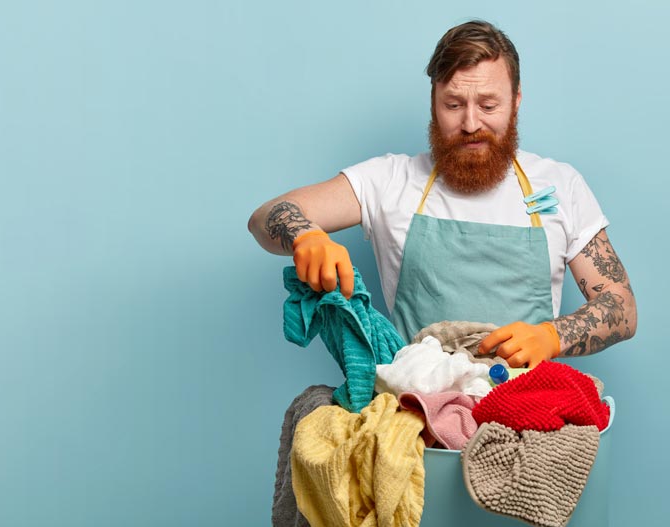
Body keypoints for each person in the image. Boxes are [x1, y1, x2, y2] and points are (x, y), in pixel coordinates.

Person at [248, 20, 636, 368]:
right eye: (453, 104)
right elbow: (266, 216)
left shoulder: (561, 185)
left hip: (526, 409)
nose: (471, 123)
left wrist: (552, 336)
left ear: (516, 102)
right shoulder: (390, 180)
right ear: (433, 105)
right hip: (415, 415)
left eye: (488, 105)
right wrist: (305, 235)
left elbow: (621, 306)